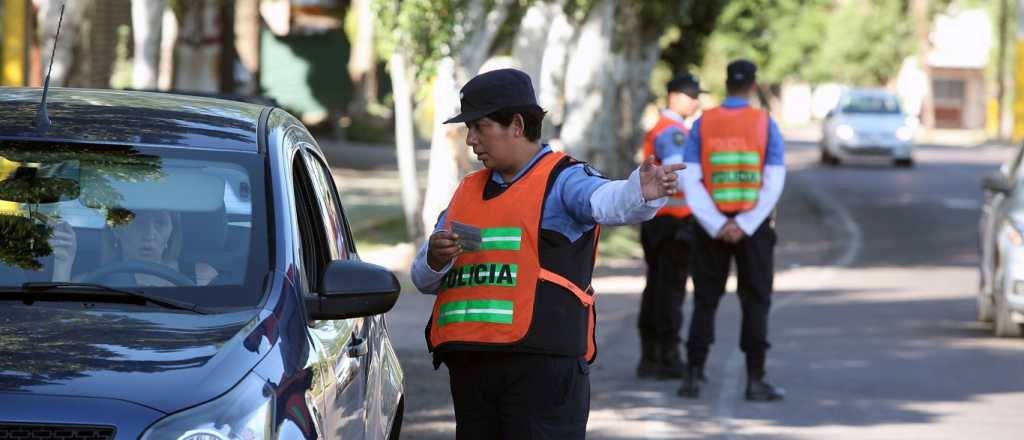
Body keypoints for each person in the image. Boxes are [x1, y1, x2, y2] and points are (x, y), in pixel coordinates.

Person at [411, 68, 684, 439]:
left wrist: (640, 192)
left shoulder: (564, 179)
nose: (471, 139)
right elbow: (423, 278)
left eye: (479, 126)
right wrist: (435, 259)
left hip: (542, 370)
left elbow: (604, 201)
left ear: (517, 125)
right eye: (468, 129)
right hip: (472, 368)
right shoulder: (466, 191)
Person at [676, 59, 786, 402]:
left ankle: (692, 376)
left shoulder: (703, 123)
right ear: (752, 86)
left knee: (706, 300)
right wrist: (746, 224)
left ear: (726, 84)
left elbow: (691, 178)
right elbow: (774, 180)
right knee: (755, 301)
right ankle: (755, 380)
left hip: (712, 228)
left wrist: (716, 222)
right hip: (752, 229)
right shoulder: (765, 123)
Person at [636, 72, 704, 379]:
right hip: (673, 224)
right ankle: (667, 355)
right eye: (692, 95)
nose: (696, 101)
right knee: (670, 291)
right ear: (675, 96)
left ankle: (651, 356)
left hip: (658, 222)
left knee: (656, 288)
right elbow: (682, 174)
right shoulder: (673, 132)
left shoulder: (663, 128)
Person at [52, 209, 218, 286]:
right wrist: (63, 263)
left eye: (160, 223)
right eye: (138, 222)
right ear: (116, 230)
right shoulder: (90, 282)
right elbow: (57, 320)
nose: (149, 234)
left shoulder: (202, 277)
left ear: (172, 231)